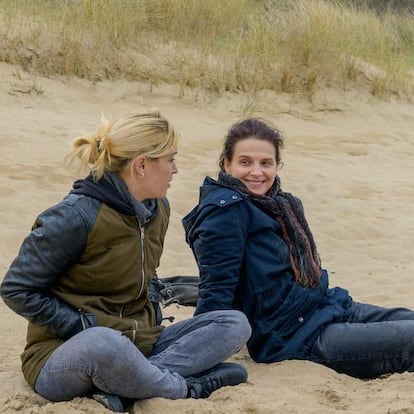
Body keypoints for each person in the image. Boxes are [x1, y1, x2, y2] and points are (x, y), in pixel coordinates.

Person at [0, 111, 251, 413]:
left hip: (140, 341)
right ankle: (184, 387)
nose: (176, 169)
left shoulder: (158, 209)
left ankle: (129, 384)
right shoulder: (73, 216)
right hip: (67, 353)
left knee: (234, 323)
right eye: (170, 160)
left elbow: (149, 275)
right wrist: (80, 325)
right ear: (142, 165)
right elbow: (16, 289)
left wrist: (154, 303)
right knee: (105, 343)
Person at [182, 117, 414, 380]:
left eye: (265, 163)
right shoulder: (224, 214)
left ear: (276, 166)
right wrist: (198, 359)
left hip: (328, 306)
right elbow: (216, 292)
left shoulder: (280, 205)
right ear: (227, 163)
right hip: (293, 335)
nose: (256, 172)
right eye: (245, 162)